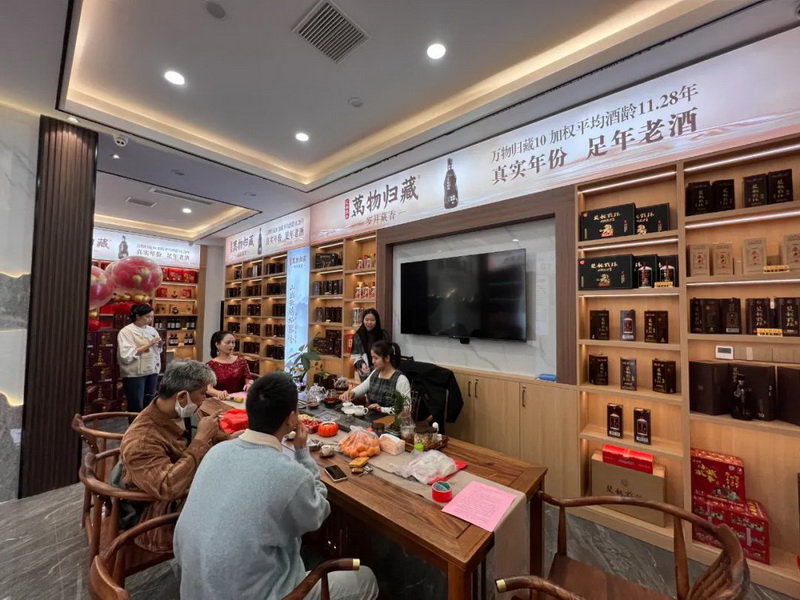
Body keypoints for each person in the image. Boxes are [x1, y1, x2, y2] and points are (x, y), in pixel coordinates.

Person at [174, 372, 379, 600]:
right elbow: (318, 513)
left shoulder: (216, 452)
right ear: (292, 419)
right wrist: (303, 454)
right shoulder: (289, 474)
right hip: (254, 594)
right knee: (366, 578)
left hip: (195, 587)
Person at [119, 359, 225, 553]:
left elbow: (198, 440)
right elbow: (167, 487)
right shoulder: (142, 439)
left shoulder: (180, 412)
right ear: (182, 396)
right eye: (203, 393)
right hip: (155, 516)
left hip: (184, 492)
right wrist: (201, 440)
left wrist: (227, 438)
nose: (205, 399)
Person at [340, 341, 410, 414]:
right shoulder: (375, 373)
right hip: (372, 417)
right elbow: (363, 387)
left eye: (376, 358)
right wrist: (352, 393)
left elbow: (406, 409)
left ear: (387, 358)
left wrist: (382, 409)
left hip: (390, 419)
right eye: (372, 357)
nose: (373, 361)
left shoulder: (401, 380)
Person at [117, 304, 162, 414]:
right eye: (148, 316)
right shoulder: (126, 331)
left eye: (152, 317)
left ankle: (148, 424)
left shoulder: (152, 330)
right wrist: (149, 344)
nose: (150, 319)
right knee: (136, 405)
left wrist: (159, 345)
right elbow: (126, 355)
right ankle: (136, 425)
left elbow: (157, 351)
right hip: (135, 374)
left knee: (150, 403)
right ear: (137, 316)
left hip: (152, 370)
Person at [205, 330, 253, 399]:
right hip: (220, 400)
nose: (231, 345)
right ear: (217, 344)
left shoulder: (241, 361)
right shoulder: (211, 365)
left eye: (233, 342)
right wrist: (219, 393)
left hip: (239, 399)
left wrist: (249, 384)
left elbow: (249, 379)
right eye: (228, 342)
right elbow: (208, 388)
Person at [351, 308, 391, 382]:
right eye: (366, 320)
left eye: (372, 320)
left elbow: (388, 354)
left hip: (381, 372)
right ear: (363, 320)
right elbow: (355, 355)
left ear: (377, 321)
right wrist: (362, 364)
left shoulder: (383, 334)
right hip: (365, 372)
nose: (369, 322)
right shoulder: (358, 335)